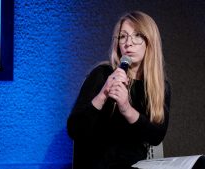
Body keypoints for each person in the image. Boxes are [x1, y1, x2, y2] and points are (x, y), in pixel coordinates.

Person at [67, 11, 171, 169]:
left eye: (137, 35)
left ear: (150, 42)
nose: (128, 43)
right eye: (123, 36)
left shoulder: (159, 86)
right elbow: (75, 130)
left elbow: (156, 136)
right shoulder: (102, 74)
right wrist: (103, 95)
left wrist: (126, 108)